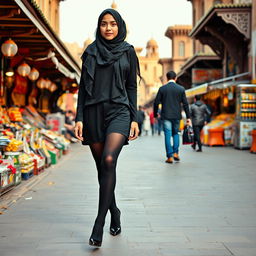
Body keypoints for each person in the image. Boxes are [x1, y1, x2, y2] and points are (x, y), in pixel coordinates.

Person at [74, 9, 140, 247]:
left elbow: (132, 86)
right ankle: (115, 211)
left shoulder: (128, 52)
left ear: (120, 26)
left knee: (109, 160)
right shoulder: (90, 52)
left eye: (113, 24)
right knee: (102, 168)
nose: (108, 28)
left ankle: (99, 223)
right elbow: (82, 88)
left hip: (119, 112)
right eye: (104, 24)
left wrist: (134, 117)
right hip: (93, 113)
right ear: (98, 27)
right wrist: (79, 117)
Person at [154, 71, 191, 163]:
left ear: (167, 78)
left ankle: (169, 156)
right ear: (176, 78)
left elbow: (156, 102)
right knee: (176, 134)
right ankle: (176, 153)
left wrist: (155, 114)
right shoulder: (181, 89)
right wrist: (188, 117)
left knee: (167, 135)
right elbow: (185, 104)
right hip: (177, 116)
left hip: (166, 115)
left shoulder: (162, 89)